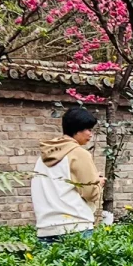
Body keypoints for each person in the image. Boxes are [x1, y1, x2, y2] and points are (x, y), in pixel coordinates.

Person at [31, 103, 103, 243]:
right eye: (88, 129)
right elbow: (90, 193)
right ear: (77, 128)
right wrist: (98, 183)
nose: (91, 134)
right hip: (76, 225)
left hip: (45, 227)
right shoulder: (79, 154)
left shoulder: (43, 156)